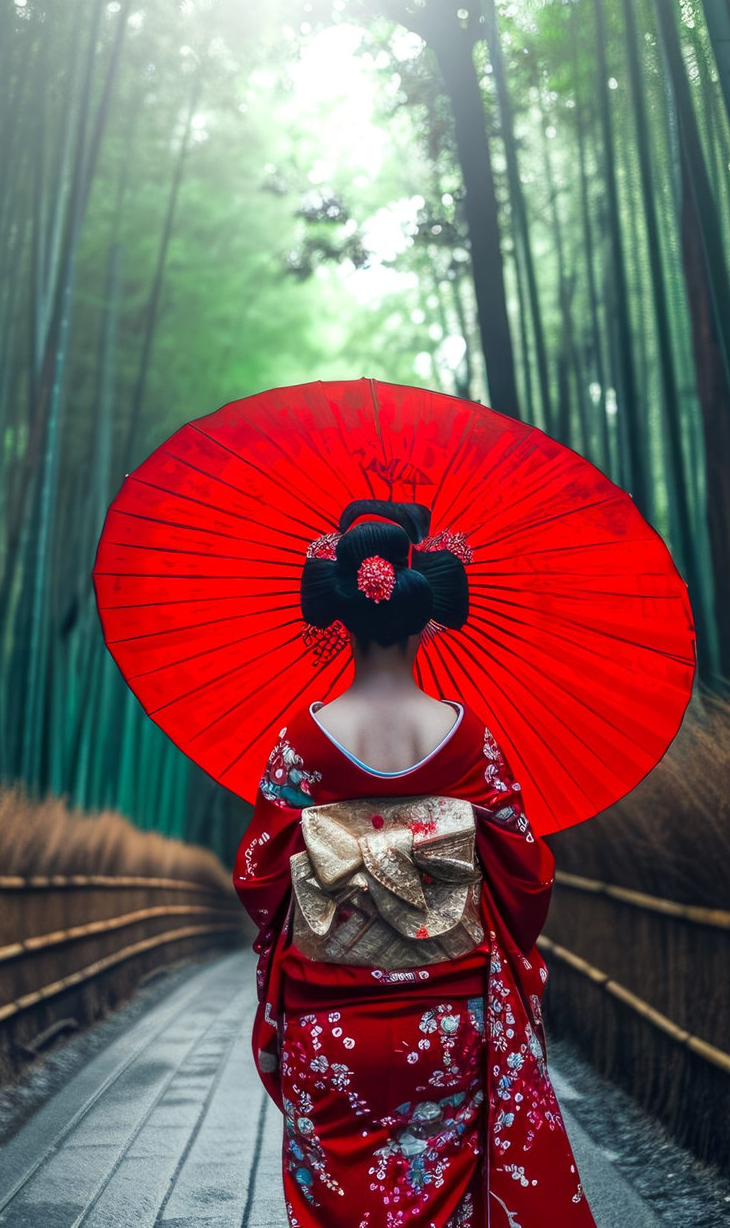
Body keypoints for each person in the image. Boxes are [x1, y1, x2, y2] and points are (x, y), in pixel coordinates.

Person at [234, 499, 596, 1228]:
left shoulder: (303, 739)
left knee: (339, 1205)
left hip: (329, 1018)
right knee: (442, 1198)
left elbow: (260, 878)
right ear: (426, 614)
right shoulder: (468, 737)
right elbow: (527, 876)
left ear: (339, 617)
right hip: (448, 1015)